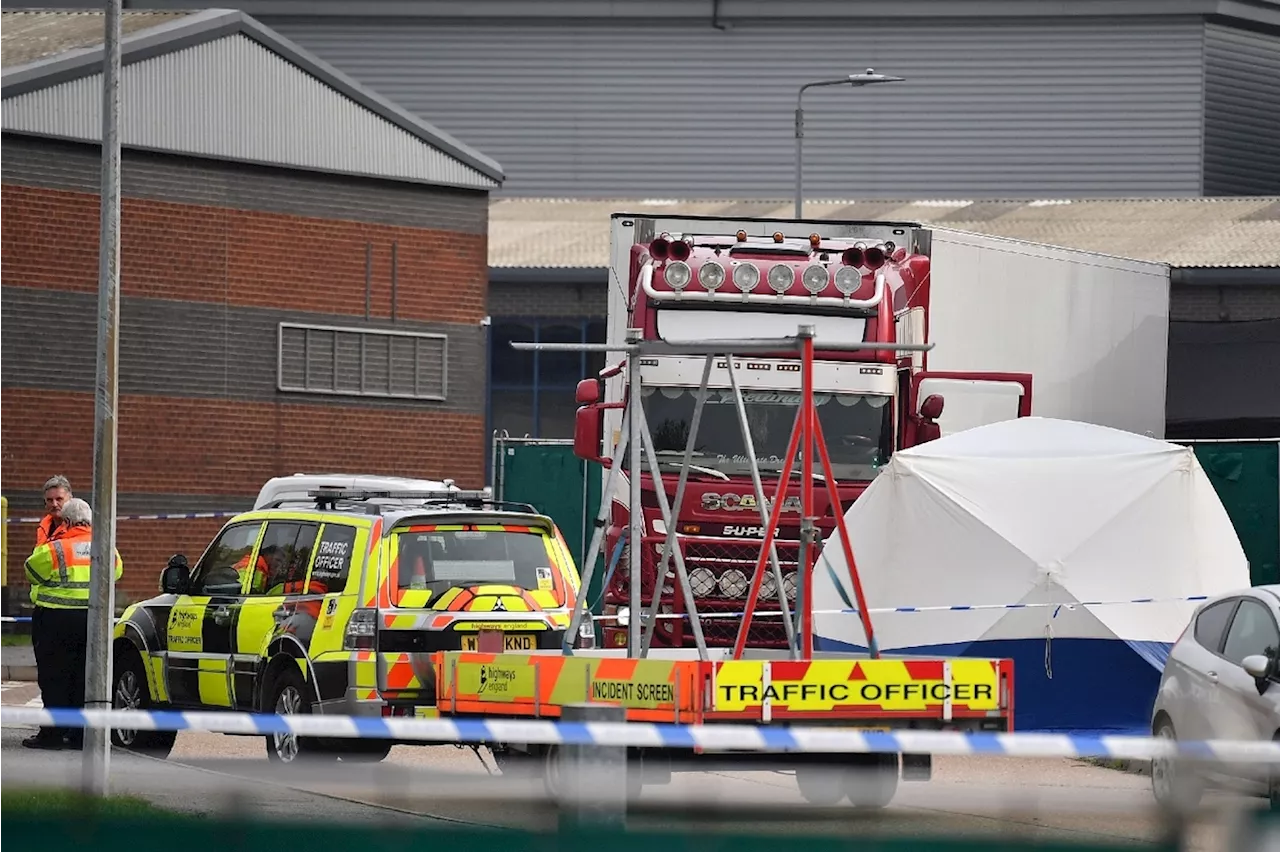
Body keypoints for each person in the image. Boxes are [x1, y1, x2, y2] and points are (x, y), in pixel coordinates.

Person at [23, 497, 123, 750]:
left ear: (66, 522)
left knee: (54, 677)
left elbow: (31, 571)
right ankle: (80, 736)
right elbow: (117, 572)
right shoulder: (107, 548)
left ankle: (53, 735)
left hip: (55, 621)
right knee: (84, 677)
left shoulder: (56, 548)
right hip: (92, 621)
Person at [35, 475, 72, 547]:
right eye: (49, 500)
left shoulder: (78, 528)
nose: (54, 504)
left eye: (59, 499)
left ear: (70, 500)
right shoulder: (43, 528)